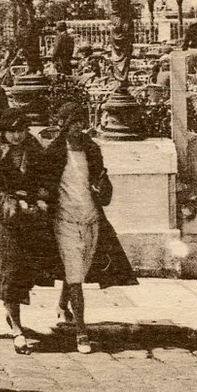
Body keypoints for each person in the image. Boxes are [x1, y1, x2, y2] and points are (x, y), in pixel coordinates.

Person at [43, 104, 138, 353]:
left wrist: (102, 187)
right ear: (63, 125)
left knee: (79, 269)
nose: (77, 128)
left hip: (92, 219)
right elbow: (43, 184)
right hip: (64, 220)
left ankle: (62, 306)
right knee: (76, 277)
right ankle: (81, 333)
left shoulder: (91, 150)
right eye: (72, 123)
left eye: (80, 123)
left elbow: (103, 185)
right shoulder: (53, 153)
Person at [0, 108, 59, 353]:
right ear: (4, 132)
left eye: (21, 130)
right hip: (8, 223)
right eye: (12, 131)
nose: (18, 136)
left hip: (33, 221)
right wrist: (12, 203)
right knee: (10, 275)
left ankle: (54, 311)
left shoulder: (34, 150)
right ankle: (17, 330)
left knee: (31, 273)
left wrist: (41, 197)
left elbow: (46, 179)